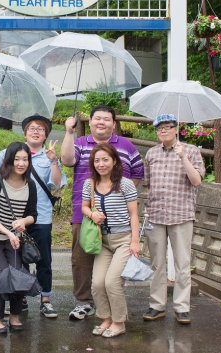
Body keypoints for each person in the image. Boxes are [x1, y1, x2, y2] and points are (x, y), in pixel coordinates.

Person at [60, 105, 144, 320]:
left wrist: (122, 194)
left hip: (118, 219)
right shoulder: (79, 142)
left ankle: (109, 305)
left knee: (111, 265)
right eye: (97, 118)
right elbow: (67, 161)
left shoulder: (125, 145)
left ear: (113, 124)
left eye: (106, 119)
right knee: (81, 258)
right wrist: (69, 133)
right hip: (84, 211)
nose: (101, 122)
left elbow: (138, 171)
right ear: (90, 122)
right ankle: (82, 302)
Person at [0, 114, 66, 318]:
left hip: (40, 217)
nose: (36, 131)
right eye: (32, 128)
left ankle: (45, 299)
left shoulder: (49, 155)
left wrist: (54, 161)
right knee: (20, 259)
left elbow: (58, 184)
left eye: (41, 129)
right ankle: (22, 297)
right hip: (13, 220)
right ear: (25, 132)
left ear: (46, 135)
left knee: (43, 259)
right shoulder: (13, 152)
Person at [143, 114, 204, 325]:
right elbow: (148, 183)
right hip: (157, 214)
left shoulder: (192, 151)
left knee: (182, 263)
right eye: (159, 128)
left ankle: (182, 307)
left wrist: (183, 157)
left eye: (168, 127)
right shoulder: (151, 154)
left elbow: (196, 181)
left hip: (181, 214)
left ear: (176, 129)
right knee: (157, 263)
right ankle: (157, 305)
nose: (163, 131)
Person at [0, 142, 38, 334]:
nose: (21, 163)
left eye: (25, 159)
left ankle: (14, 315)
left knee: (18, 272)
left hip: (15, 238)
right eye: (17, 159)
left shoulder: (31, 185)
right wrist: (9, 232)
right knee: (2, 272)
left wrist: (23, 222)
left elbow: (33, 215)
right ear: (8, 159)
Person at [81, 143, 140, 338]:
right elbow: (83, 207)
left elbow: (133, 214)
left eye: (105, 159)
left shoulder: (125, 184)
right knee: (97, 283)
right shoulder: (90, 183)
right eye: (97, 160)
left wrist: (135, 241)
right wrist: (92, 214)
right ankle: (106, 318)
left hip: (123, 239)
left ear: (114, 161)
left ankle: (118, 321)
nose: (101, 164)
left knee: (112, 281)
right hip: (102, 239)